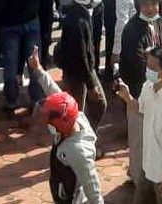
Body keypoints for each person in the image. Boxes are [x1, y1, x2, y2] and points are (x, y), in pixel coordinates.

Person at [117, 0, 162, 202]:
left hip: (158, 89)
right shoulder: (133, 28)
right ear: (138, 5)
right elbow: (136, 60)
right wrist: (159, 58)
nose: (151, 9)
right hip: (139, 92)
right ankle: (137, 176)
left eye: (154, 4)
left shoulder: (161, 22)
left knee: (156, 136)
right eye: (145, 5)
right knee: (139, 138)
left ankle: (150, 172)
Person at [28, 46, 103, 204]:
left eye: (50, 122)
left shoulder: (78, 152)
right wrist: (39, 69)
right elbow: (55, 93)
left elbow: (92, 187)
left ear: (60, 124)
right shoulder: (76, 118)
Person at [116, 47, 162, 204]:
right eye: (147, 66)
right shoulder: (147, 87)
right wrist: (127, 97)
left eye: (151, 68)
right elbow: (141, 108)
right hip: (147, 167)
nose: (147, 71)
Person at [56, 0, 106, 129]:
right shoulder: (78, 21)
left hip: (82, 70)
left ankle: (86, 137)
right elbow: (81, 55)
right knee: (79, 111)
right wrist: (91, 85)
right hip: (79, 73)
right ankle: (82, 141)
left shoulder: (81, 13)